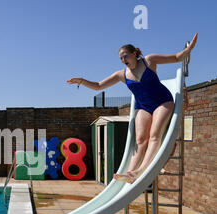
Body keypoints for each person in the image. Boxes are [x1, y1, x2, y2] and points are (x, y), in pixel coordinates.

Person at [67, 33, 197, 183]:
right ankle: (130, 174)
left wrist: (189, 50)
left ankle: (141, 171)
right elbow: (98, 86)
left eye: (126, 56)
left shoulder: (149, 61)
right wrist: (82, 81)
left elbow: (176, 57)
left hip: (163, 102)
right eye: (121, 58)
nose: (123, 60)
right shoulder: (122, 75)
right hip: (143, 106)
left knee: (155, 135)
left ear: (134, 54)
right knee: (140, 140)